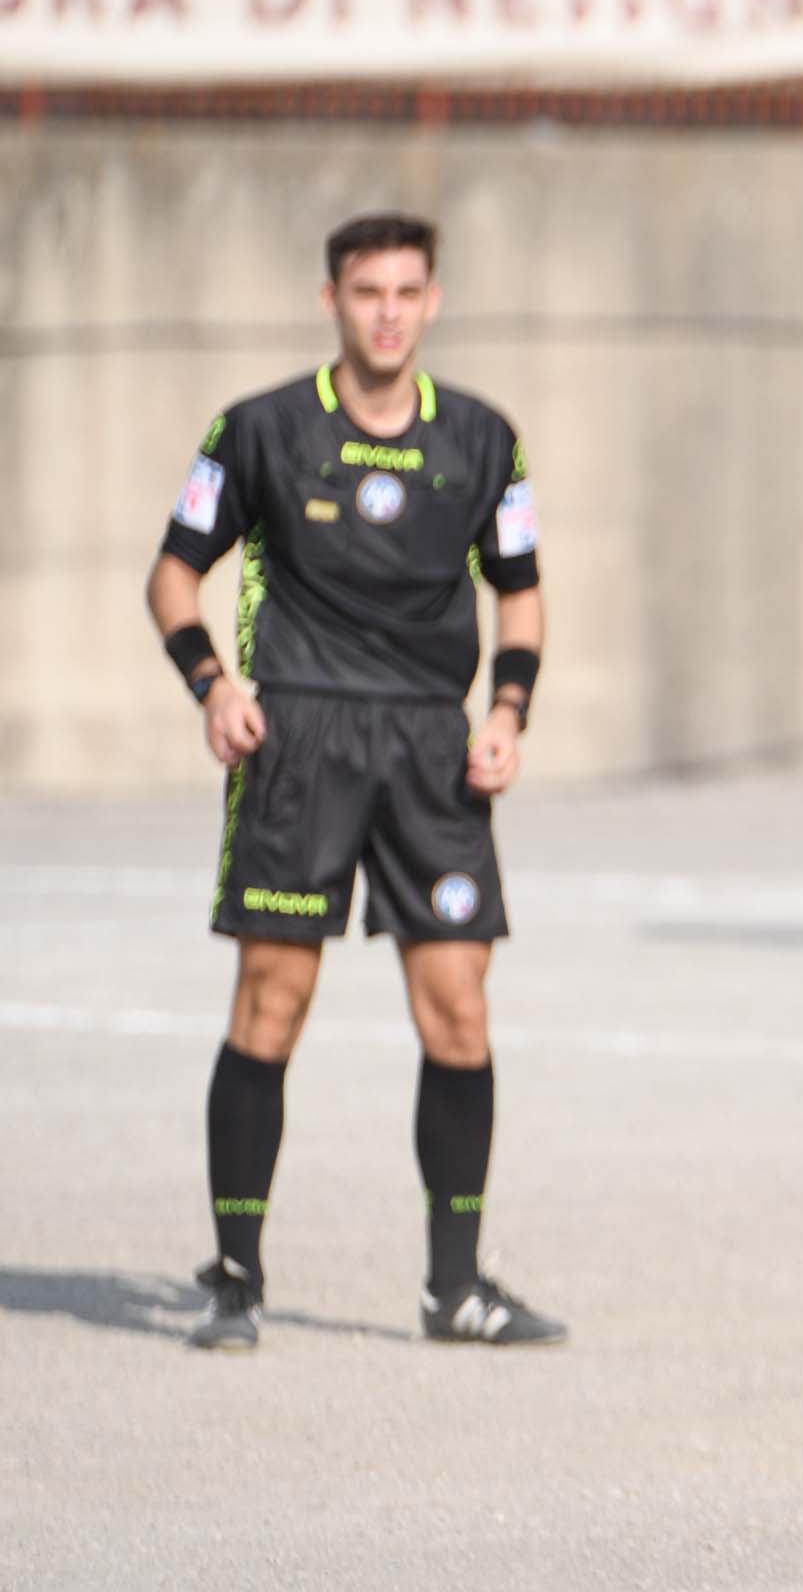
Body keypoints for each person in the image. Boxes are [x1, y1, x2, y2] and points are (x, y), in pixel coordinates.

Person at [147, 211, 565, 1351]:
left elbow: (521, 593)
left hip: (432, 752)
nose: (388, 311)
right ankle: (235, 1280)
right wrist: (212, 686)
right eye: (367, 291)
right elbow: (175, 576)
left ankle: (454, 1287)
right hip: (302, 742)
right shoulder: (260, 429)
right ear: (330, 299)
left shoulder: (483, 439)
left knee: (460, 1009)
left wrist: (508, 713)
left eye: (406, 291)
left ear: (433, 302)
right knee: (271, 1002)